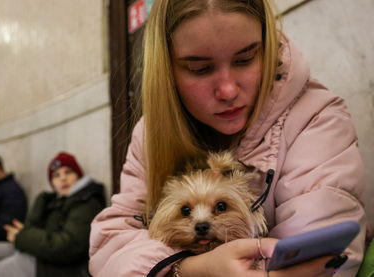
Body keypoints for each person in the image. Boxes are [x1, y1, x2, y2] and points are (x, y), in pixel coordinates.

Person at [89, 0, 366, 276]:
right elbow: (110, 246)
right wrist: (192, 268)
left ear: (267, 48)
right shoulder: (150, 134)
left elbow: (317, 261)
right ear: (167, 70)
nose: (228, 90)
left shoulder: (317, 118)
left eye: (245, 60)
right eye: (200, 68)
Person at [0, 152, 106, 277]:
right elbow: (34, 229)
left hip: (63, 268)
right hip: (41, 255)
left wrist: (22, 236)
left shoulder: (86, 202)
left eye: (68, 172)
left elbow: (68, 246)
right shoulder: (53, 201)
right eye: (56, 175)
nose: (63, 178)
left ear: (78, 175)